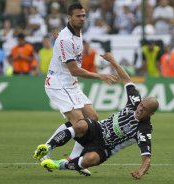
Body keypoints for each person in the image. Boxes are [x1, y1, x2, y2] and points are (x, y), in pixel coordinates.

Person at [34, 52, 159, 180]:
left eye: (145, 109)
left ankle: (61, 164)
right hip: (97, 129)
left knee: (90, 159)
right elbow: (126, 79)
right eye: (141, 105)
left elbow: (147, 158)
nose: (140, 109)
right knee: (81, 123)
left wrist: (141, 171)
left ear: (151, 114)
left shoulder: (143, 130)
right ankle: (48, 147)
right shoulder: (134, 100)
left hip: (105, 148)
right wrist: (113, 61)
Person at [33, 3, 117, 176]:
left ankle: (73, 159)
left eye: (83, 15)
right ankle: (47, 148)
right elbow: (75, 70)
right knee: (80, 123)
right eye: (78, 16)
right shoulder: (66, 39)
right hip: (58, 83)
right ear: (69, 18)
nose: (82, 19)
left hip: (70, 83)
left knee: (92, 118)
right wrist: (100, 75)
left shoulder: (75, 33)